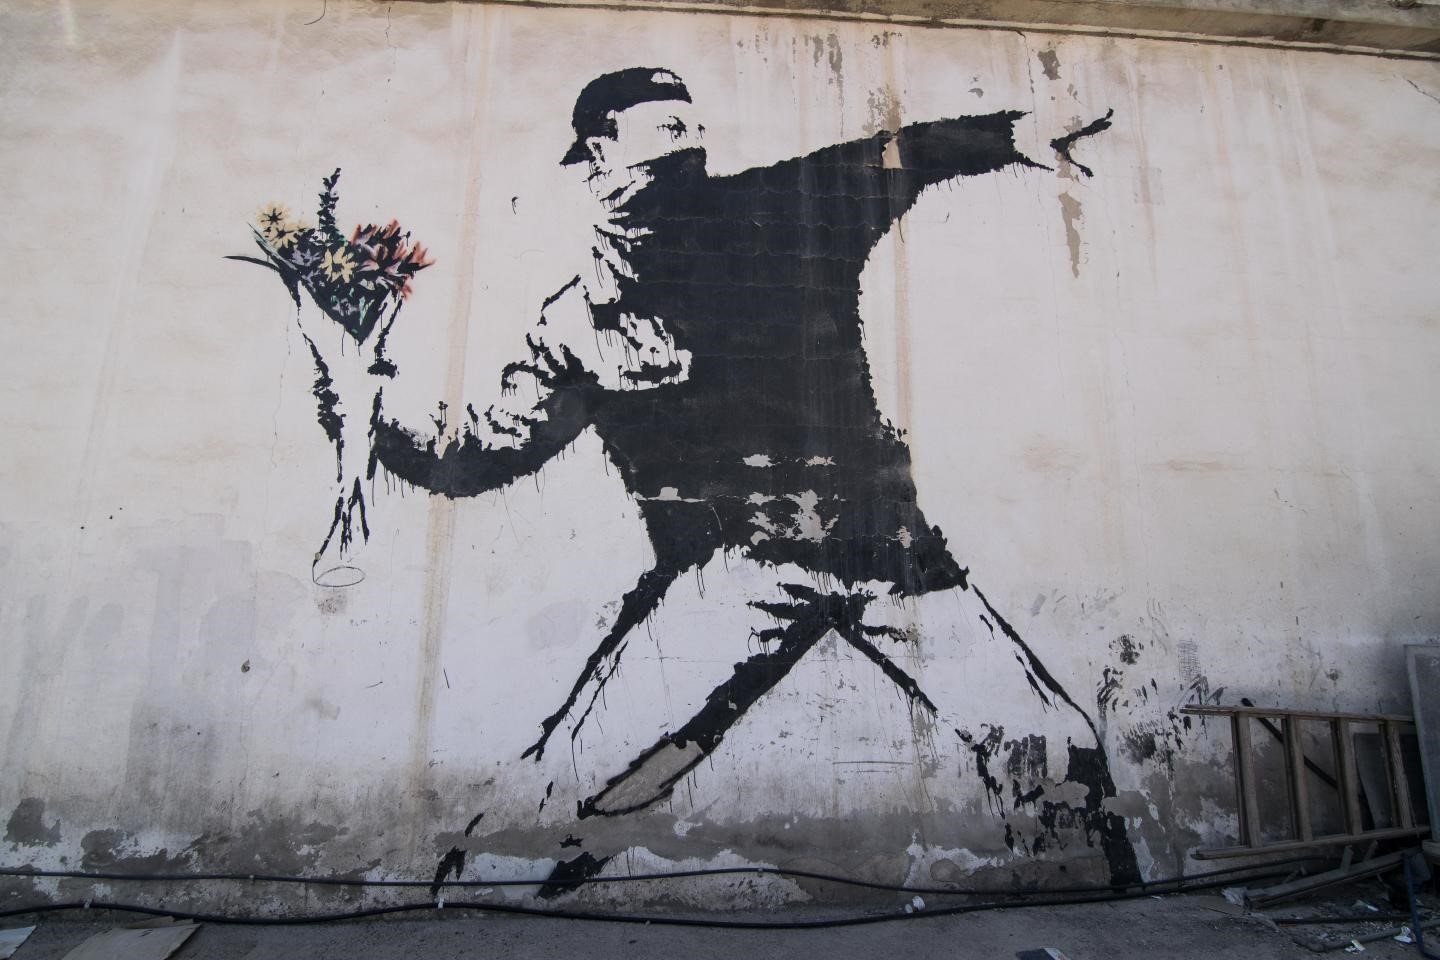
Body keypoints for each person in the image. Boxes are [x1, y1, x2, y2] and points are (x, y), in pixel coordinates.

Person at [269, 67, 1137, 890]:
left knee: (1051, 746)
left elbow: (895, 156)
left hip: (891, 556)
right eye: (665, 127)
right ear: (599, 150)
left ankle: (1092, 906)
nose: (687, 140)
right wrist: (357, 401)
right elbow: (477, 460)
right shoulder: (581, 315)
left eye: (691, 125)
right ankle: (463, 906)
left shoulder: (777, 211)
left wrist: (1013, 133)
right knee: (578, 779)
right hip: (735, 577)